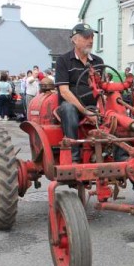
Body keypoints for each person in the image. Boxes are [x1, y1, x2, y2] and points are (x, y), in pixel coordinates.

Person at [54, 23, 104, 163]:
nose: (91, 40)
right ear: (74, 40)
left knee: (116, 114)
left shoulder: (98, 61)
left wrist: (99, 109)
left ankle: (118, 153)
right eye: (86, 37)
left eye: (92, 37)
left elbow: (102, 89)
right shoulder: (63, 61)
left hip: (94, 107)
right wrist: (86, 112)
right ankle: (74, 157)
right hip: (73, 106)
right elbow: (64, 91)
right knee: (68, 108)